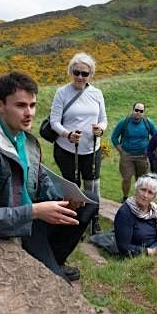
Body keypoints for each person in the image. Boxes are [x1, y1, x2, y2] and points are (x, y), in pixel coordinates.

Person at [0, 71, 96, 283]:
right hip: (15, 227)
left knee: (89, 203)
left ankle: (54, 261)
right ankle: (49, 270)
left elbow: (38, 178)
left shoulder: (23, 139)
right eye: (21, 106)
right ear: (0, 105)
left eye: (32, 105)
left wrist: (63, 197)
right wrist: (34, 211)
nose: (29, 113)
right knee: (60, 286)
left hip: (32, 217)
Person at [49, 52, 107, 235]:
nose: (80, 77)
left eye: (85, 73)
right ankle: (72, 221)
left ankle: (93, 220)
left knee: (92, 186)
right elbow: (54, 122)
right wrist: (67, 134)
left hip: (92, 149)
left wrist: (101, 129)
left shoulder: (97, 94)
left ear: (91, 74)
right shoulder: (62, 92)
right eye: (77, 72)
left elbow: (103, 119)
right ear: (71, 71)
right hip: (67, 150)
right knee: (72, 187)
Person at [111, 102, 157, 202]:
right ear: (133, 110)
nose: (138, 113)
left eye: (141, 111)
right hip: (127, 156)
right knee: (126, 178)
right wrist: (121, 151)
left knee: (141, 180)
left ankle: (138, 199)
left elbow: (156, 136)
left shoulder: (147, 122)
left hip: (142, 156)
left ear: (143, 112)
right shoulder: (124, 122)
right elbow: (114, 137)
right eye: (136, 110)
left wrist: (150, 149)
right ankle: (125, 197)